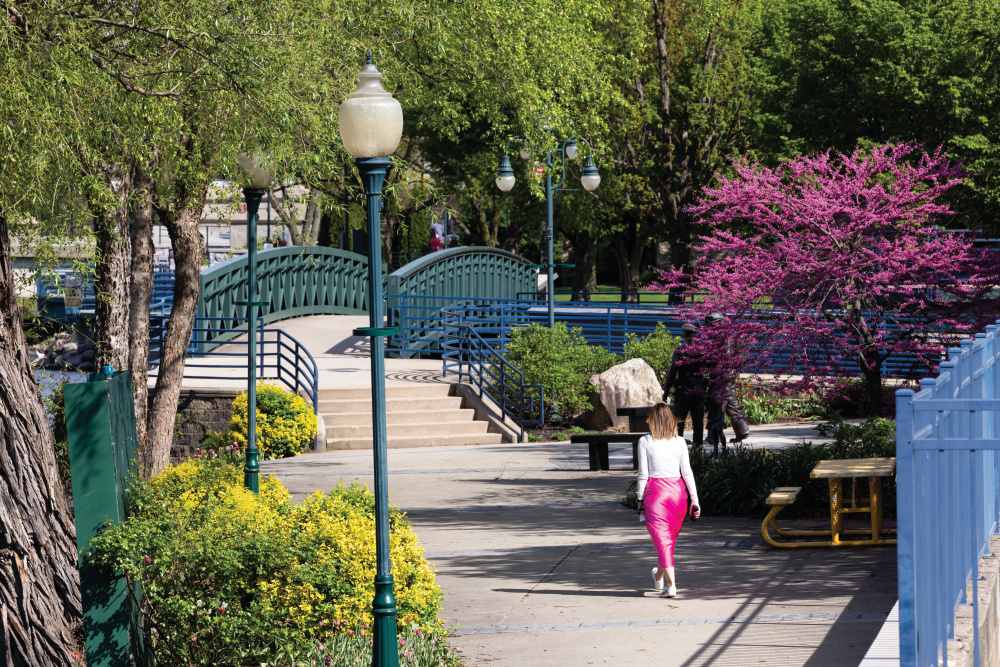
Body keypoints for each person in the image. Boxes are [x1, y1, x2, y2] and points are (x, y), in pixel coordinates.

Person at [637, 402, 701, 598]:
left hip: (656, 495)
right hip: (678, 495)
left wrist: (639, 499)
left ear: (652, 421)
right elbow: (687, 473)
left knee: (663, 542)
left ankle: (671, 586)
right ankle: (658, 577)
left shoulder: (645, 441)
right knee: (666, 541)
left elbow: (643, 474)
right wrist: (695, 500)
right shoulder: (680, 442)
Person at [703, 311, 750, 453]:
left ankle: (712, 436)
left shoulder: (726, 338)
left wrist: (713, 373)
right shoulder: (726, 336)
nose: (709, 328)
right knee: (730, 401)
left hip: (723, 375)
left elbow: (725, 358)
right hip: (727, 375)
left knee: (718, 402)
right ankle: (742, 431)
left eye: (711, 325)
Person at [662, 322, 707, 447]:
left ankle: (678, 448)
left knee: (679, 421)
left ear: (686, 336)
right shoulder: (703, 351)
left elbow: (672, 372)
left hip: (683, 391)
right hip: (699, 390)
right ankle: (698, 450)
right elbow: (708, 372)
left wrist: (666, 391)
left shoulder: (680, 351)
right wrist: (706, 387)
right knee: (698, 423)